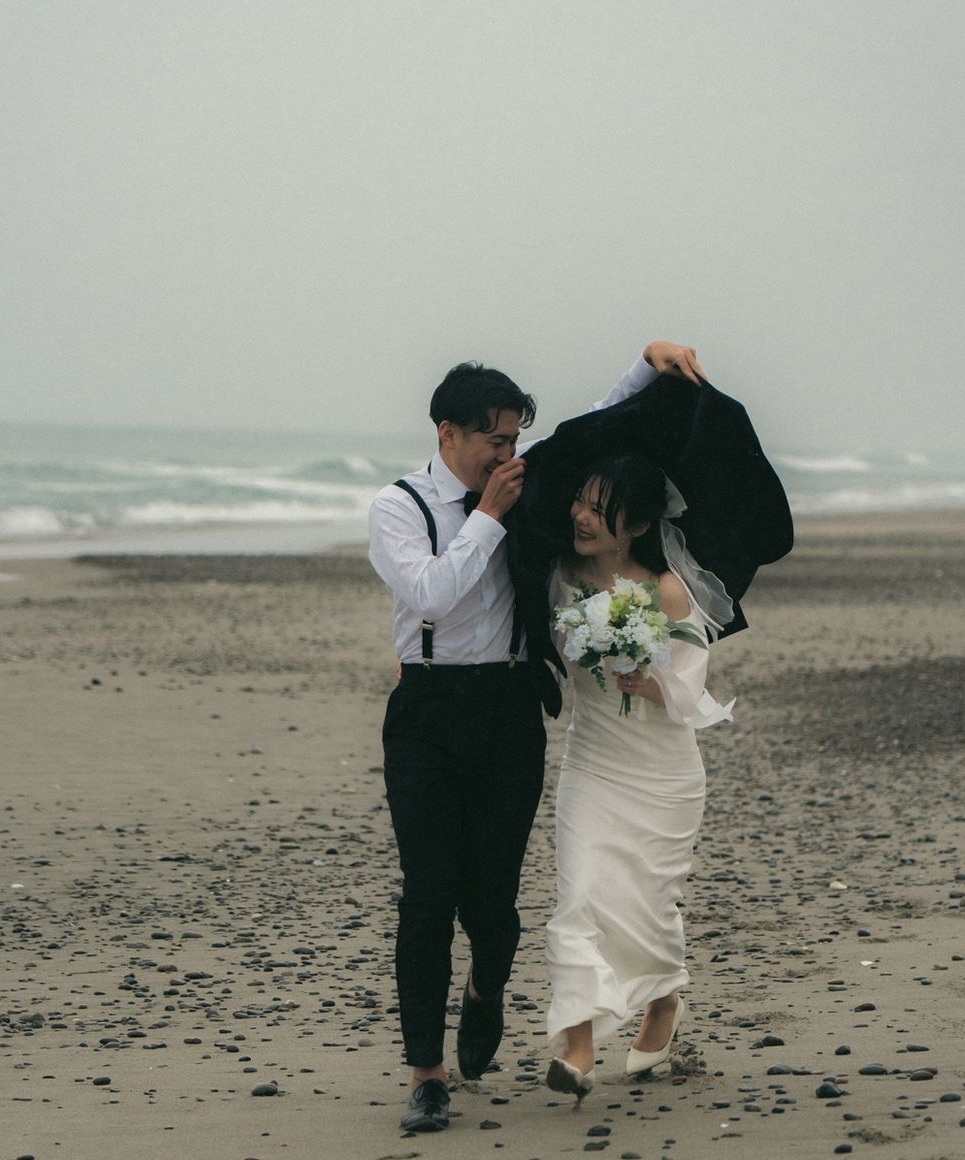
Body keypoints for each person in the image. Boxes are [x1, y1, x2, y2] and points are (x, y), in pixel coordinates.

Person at [368, 341, 706, 1133]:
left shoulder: (525, 485)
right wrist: (489, 517)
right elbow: (432, 594)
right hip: (427, 711)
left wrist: (648, 367)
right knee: (427, 895)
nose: (509, 455)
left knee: (492, 902)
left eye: (516, 439)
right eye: (496, 440)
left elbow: (591, 432)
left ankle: (486, 987)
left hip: (510, 711)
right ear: (448, 433)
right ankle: (426, 1073)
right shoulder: (399, 507)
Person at [543, 454, 735, 1101]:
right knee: (581, 895)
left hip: (663, 774)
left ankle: (663, 1001)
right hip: (591, 764)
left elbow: (692, 691)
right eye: (581, 501)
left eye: (600, 509)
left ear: (640, 524)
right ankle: (577, 1047)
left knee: (648, 902)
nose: (581, 516)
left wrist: (651, 683)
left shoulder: (668, 591)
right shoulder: (558, 577)